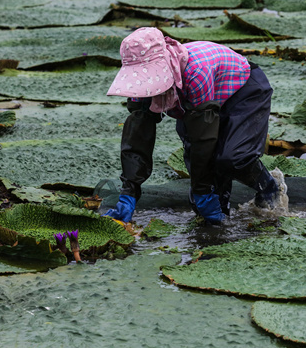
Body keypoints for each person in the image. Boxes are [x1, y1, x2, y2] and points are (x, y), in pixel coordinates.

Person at [104, 27, 282, 225]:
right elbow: (137, 136)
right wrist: (129, 192)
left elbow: (203, 139)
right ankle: (221, 225)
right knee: (204, 192)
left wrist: (202, 191)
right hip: (199, 105)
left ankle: (269, 189)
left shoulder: (195, 72)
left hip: (243, 91)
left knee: (232, 158)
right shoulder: (139, 89)